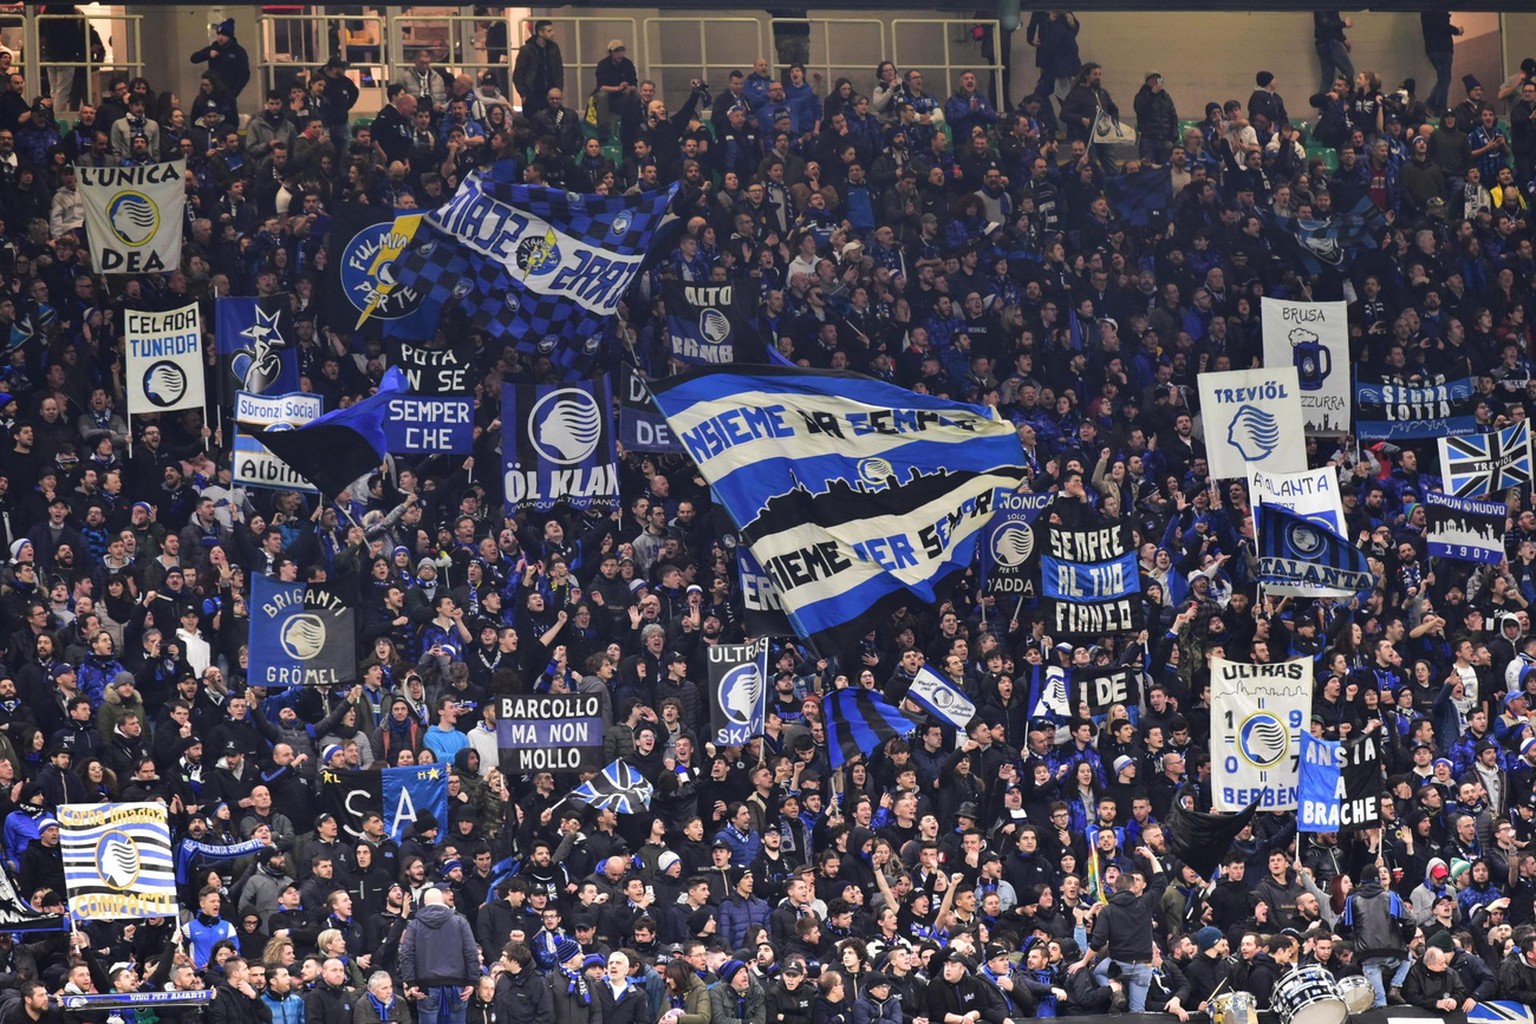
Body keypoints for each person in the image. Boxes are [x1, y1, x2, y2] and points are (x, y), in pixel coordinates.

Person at [401, 889, 480, 1024]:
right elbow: (471, 952)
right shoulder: (460, 922)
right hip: (457, 987)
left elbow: (406, 954)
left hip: (426, 988)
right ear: (441, 900)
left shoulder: (414, 925)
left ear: (425, 902)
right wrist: (472, 981)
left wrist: (411, 982)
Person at [190, 18, 250, 103]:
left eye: (223, 35)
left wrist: (234, 92)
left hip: (228, 93)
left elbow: (244, 75)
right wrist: (208, 54)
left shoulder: (238, 52)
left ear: (230, 36)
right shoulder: (214, 47)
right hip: (211, 92)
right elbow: (194, 58)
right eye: (218, 34)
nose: (220, 38)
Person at [514, 20, 565, 120]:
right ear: (540, 33)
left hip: (550, 91)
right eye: (549, 31)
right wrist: (523, 93)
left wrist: (559, 88)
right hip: (532, 93)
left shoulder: (554, 48)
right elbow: (518, 73)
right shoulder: (527, 49)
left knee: (553, 121)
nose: (552, 33)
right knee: (532, 122)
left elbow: (559, 70)